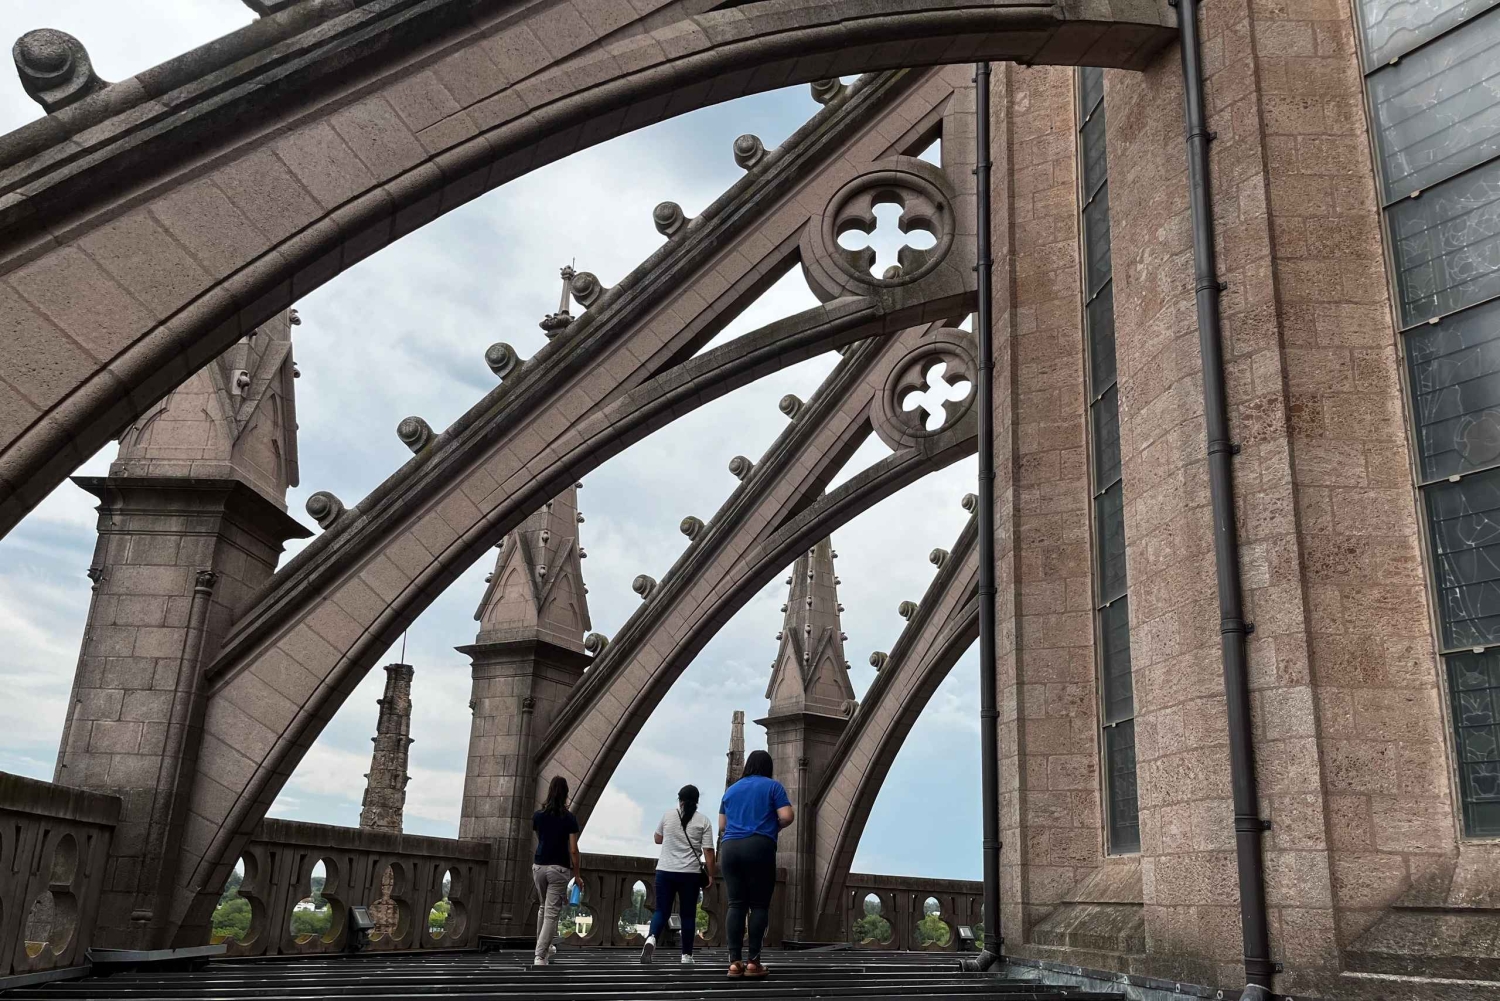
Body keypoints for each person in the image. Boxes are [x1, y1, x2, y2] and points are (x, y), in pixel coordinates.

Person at [717, 750, 793, 979]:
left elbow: (722, 825)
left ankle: (734, 963)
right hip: (759, 846)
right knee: (759, 905)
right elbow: (787, 816)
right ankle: (753, 962)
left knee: (736, 904)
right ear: (768, 767)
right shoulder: (773, 787)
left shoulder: (731, 790)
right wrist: (774, 826)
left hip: (730, 848)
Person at [640, 784, 716, 965]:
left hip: (665, 871)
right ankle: (686, 956)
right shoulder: (703, 821)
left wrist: (673, 837)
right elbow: (709, 852)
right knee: (688, 915)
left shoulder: (668, 815)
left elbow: (657, 838)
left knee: (661, 911)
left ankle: (651, 938)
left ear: (679, 800)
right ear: (697, 802)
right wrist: (711, 874)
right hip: (689, 874)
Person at [531, 775, 582, 966]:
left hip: (538, 867)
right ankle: (540, 955)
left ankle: (544, 946)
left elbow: (540, 837)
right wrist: (577, 875)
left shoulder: (538, 816)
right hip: (558, 869)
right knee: (552, 912)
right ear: (566, 794)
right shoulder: (569, 819)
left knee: (543, 907)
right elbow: (573, 850)